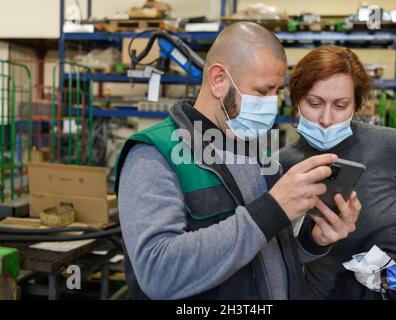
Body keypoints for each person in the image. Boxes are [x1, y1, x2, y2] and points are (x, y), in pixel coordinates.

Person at [114, 23, 361, 300]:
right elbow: (158, 272)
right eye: (262, 90)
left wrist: (314, 239)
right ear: (219, 80)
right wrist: (271, 209)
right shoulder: (153, 155)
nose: (271, 104)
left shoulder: (256, 151)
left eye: (276, 92)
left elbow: (269, 251)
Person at [280, 46, 396, 299]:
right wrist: (314, 240)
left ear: (356, 105)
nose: (326, 118)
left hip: (389, 291)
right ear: (296, 102)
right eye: (314, 103)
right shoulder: (283, 164)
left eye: (340, 105)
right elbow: (279, 252)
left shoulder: (392, 146)